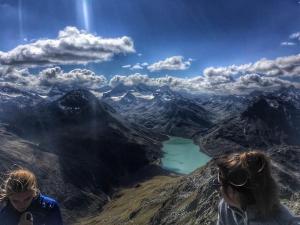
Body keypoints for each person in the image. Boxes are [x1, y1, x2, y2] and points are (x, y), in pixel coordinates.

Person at [215, 150, 300, 225]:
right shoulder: (225, 207)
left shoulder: (282, 222)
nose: (219, 190)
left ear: (231, 192)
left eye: (219, 185)